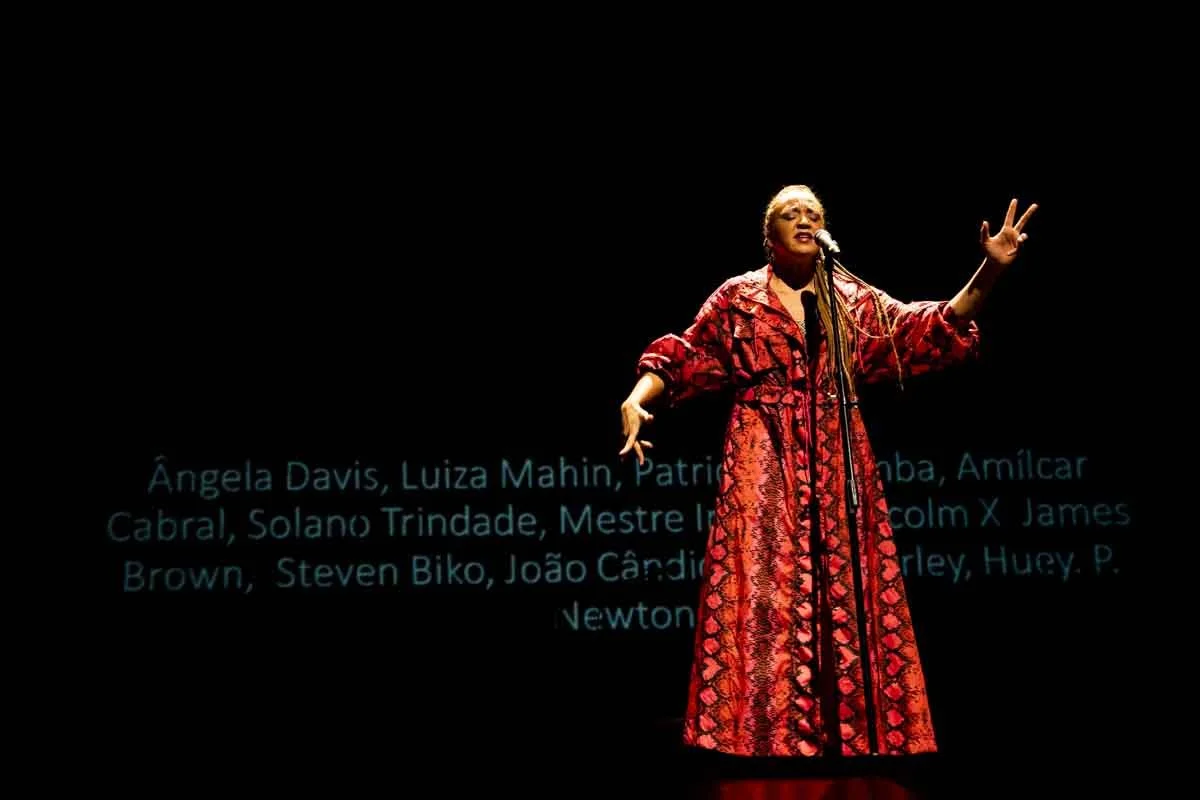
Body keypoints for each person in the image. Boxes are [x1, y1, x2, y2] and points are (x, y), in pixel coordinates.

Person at [619, 184, 1037, 759]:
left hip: (838, 448)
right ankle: (758, 737)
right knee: (763, 581)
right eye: (790, 214)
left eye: (812, 214)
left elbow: (925, 326)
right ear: (768, 236)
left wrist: (988, 272)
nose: (804, 220)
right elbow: (686, 355)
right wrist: (639, 396)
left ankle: (853, 733)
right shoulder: (738, 298)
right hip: (761, 448)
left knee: (847, 577)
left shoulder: (849, 299)